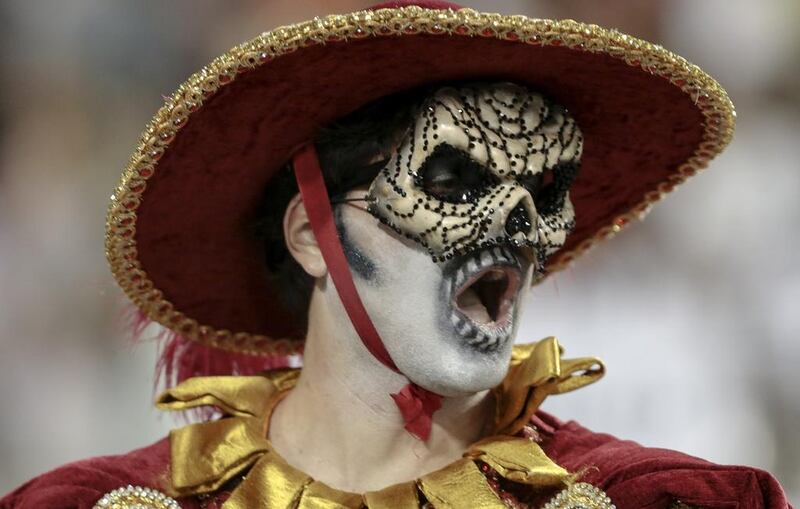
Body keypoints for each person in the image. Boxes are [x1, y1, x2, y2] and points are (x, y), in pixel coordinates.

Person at [0, 1, 792, 508]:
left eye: (544, 192)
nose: (511, 227)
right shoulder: (97, 503)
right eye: (451, 179)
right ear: (311, 235)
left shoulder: (660, 500)